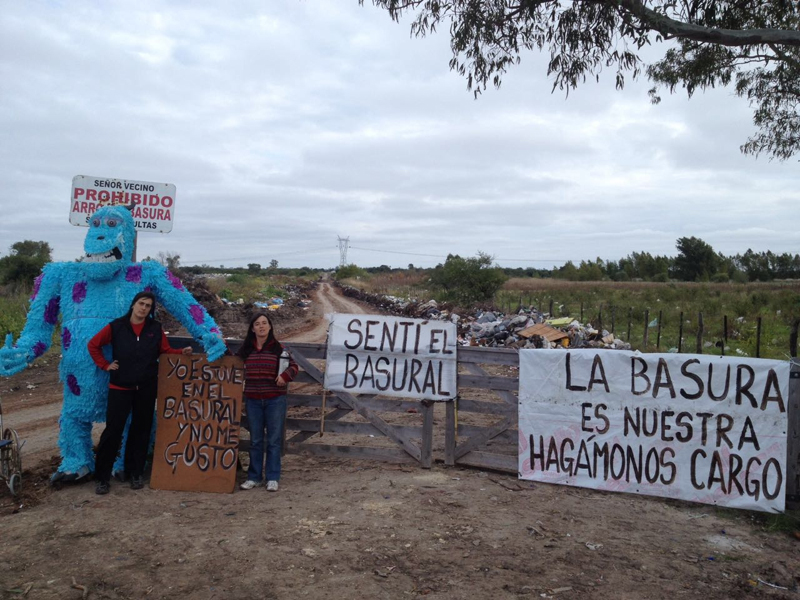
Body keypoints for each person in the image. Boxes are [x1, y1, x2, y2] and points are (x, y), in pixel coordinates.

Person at [88, 291, 192, 494]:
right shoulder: (117, 326)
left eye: (148, 306)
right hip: (120, 387)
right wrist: (105, 365)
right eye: (141, 303)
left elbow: (165, 350)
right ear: (133, 304)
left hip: (146, 387)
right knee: (113, 431)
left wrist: (181, 352)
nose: (144, 308)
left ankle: (135, 473)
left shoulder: (155, 328)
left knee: (141, 431)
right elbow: (93, 345)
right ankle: (102, 478)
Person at [237, 312, 298, 491]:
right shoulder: (247, 348)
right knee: (255, 440)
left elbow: (294, 366)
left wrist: (285, 376)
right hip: (253, 400)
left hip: (275, 399)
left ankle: (272, 477)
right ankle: (254, 477)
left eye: (264, 323)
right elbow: (233, 362)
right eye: (257, 324)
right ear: (252, 328)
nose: (261, 326)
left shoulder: (278, 348)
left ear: (270, 326)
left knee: (273, 440)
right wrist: (221, 345)